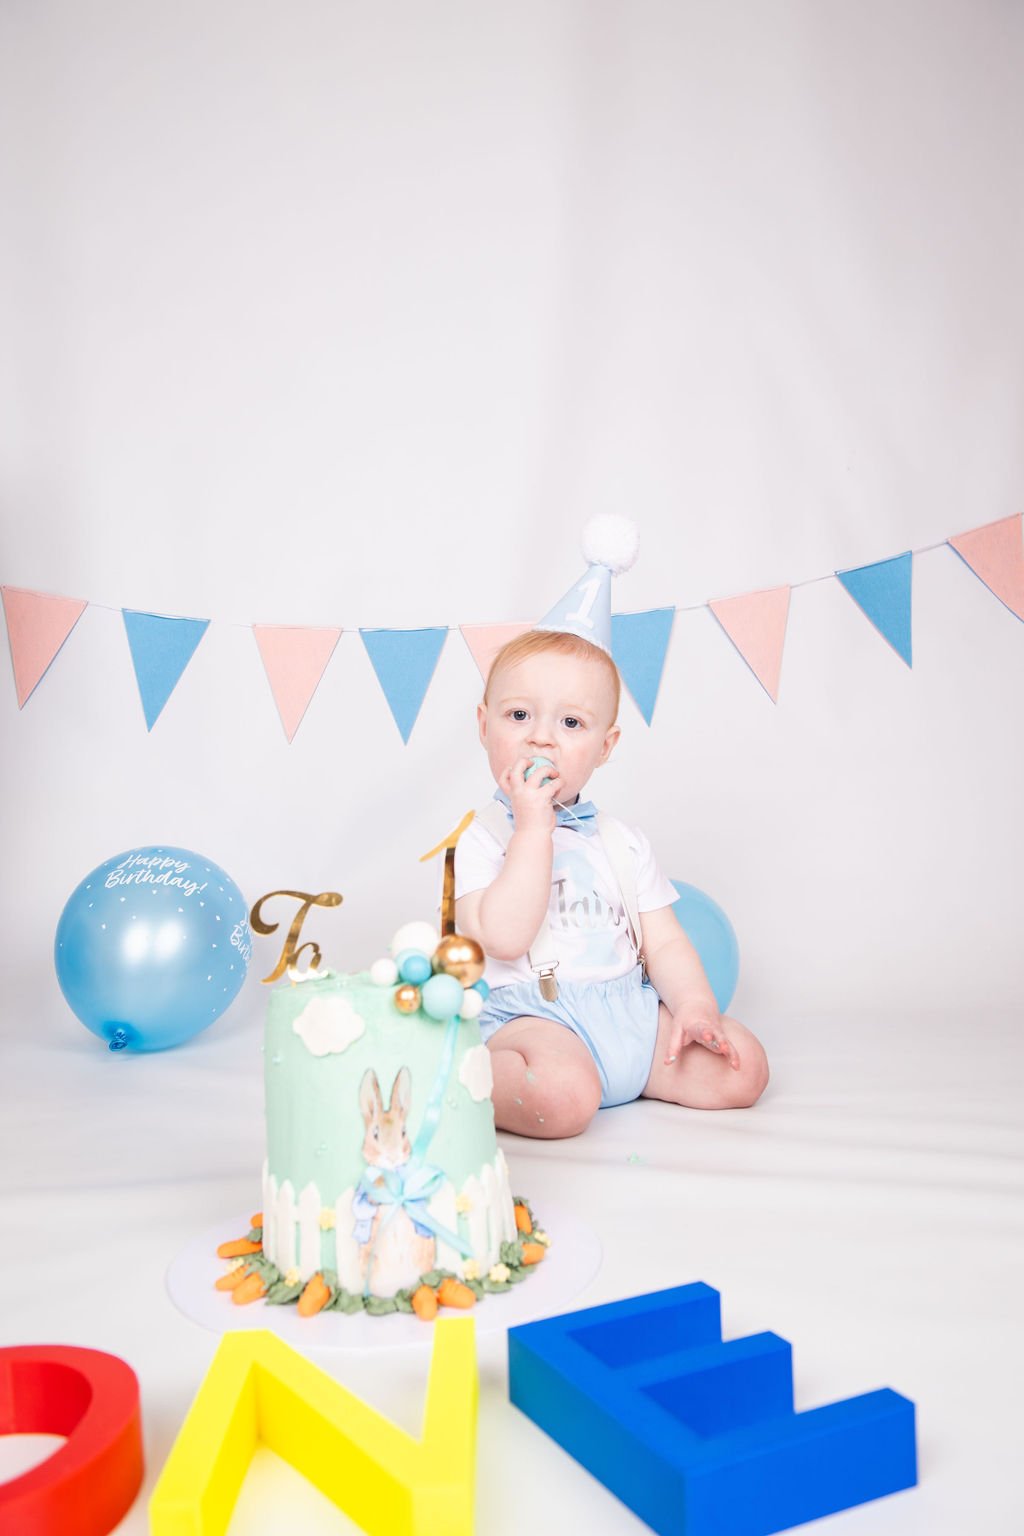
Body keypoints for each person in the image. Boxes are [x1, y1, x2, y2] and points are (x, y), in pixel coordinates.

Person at [454, 520, 769, 1139]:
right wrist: (534, 827)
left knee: (744, 1067)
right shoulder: (485, 838)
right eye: (520, 715)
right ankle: (468, 1072)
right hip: (538, 1020)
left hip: (629, 1012)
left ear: (605, 747)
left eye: (571, 724)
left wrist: (696, 1009)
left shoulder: (620, 842)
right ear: (485, 726)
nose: (542, 736)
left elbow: (667, 945)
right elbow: (508, 938)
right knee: (564, 1100)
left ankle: (641, 1070)